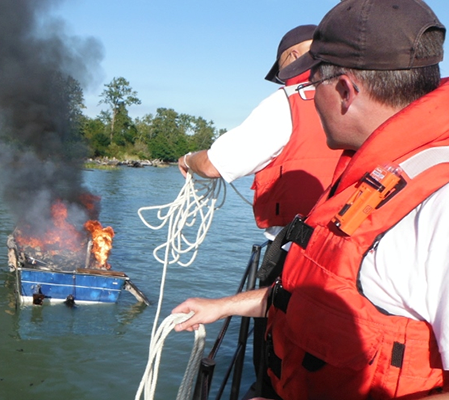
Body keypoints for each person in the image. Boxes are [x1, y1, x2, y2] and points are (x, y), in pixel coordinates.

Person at [174, 0, 449, 399]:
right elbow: (327, 294)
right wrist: (223, 306)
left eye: (309, 85)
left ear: (343, 90)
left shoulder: (438, 207)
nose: (304, 99)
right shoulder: (374, 175)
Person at [178, 24, 342, 241]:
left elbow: (213, 166)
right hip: (348, 241)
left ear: (293, 56)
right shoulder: (358, 97)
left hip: (298, 248)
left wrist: (188, 160)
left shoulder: (286, 103)